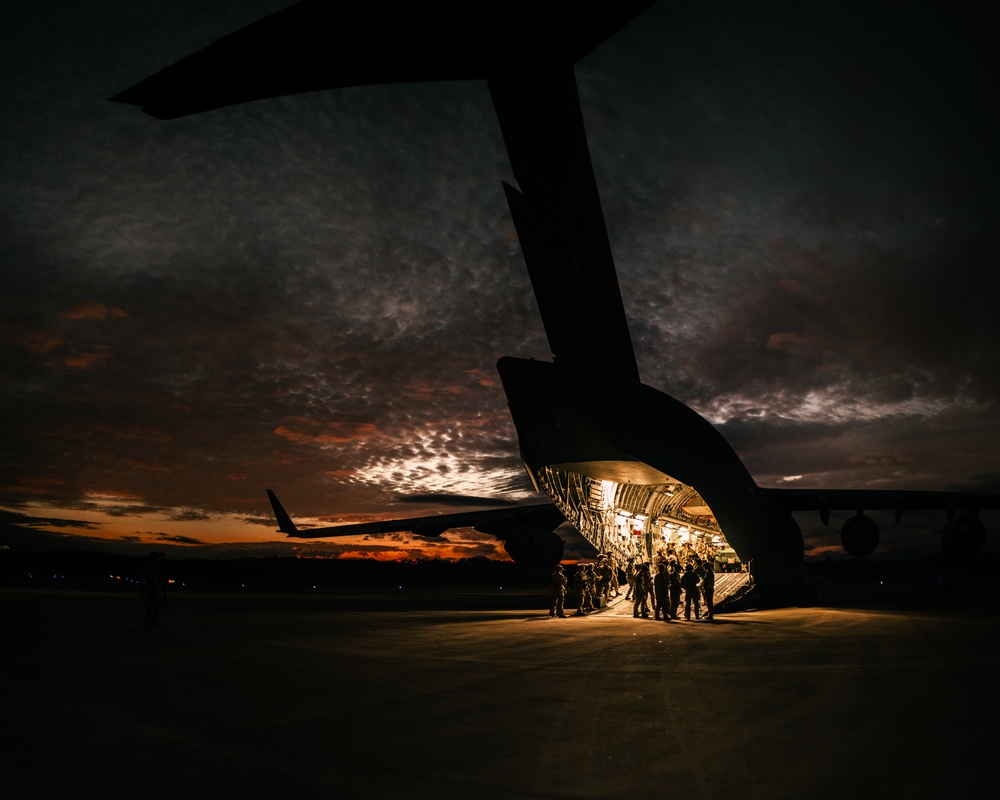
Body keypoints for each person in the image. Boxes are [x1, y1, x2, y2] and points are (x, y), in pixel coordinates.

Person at [142, 551, 165, 629]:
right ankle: (147, 623)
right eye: (157, 559)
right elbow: (151, 580)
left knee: (155, 607)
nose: (158, 560)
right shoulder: (151, 567)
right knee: (151, 606)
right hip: (151, 588)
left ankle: (152, 622)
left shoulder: (152, 567)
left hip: (151, 588)